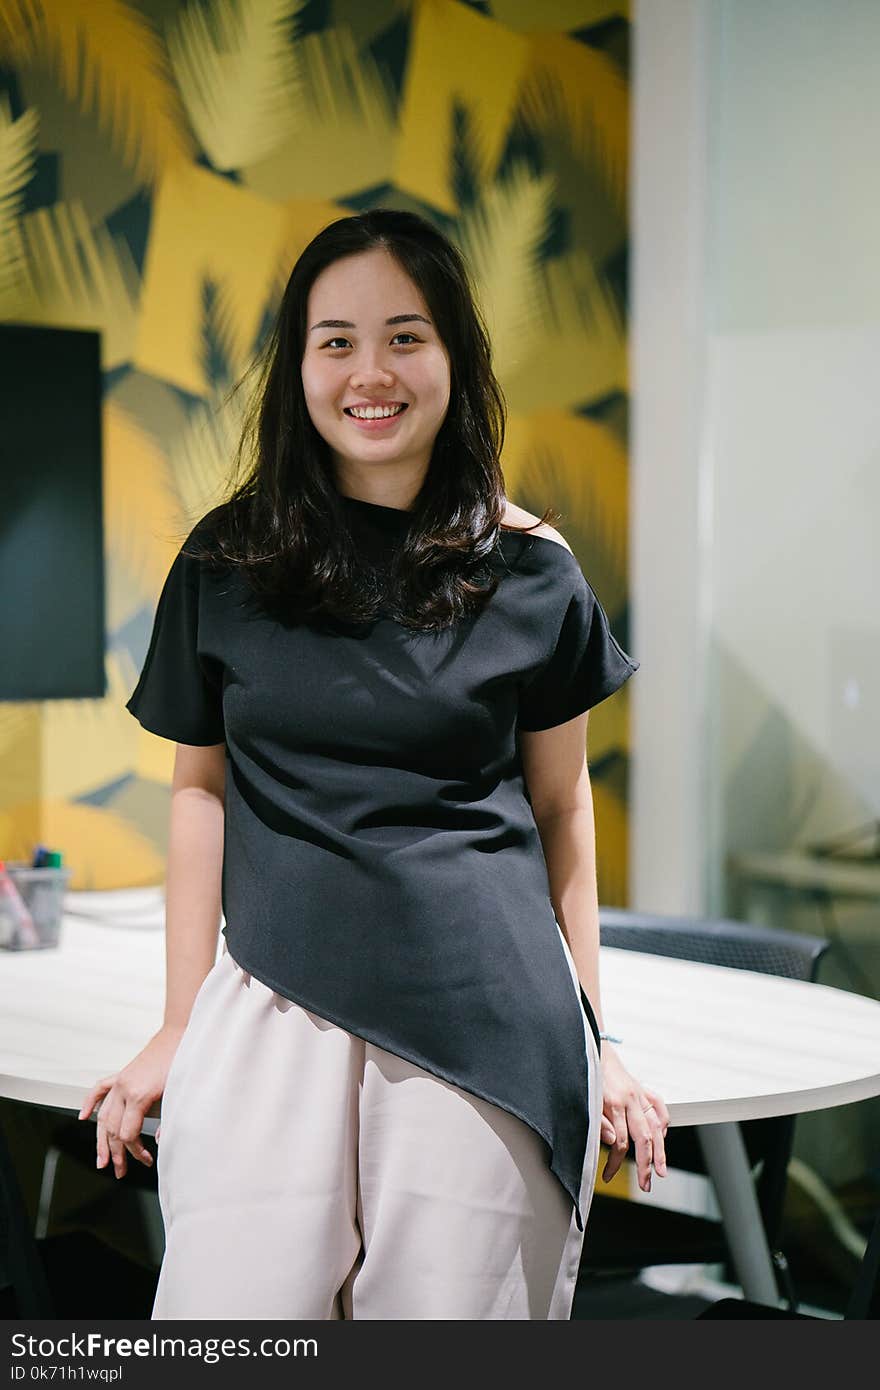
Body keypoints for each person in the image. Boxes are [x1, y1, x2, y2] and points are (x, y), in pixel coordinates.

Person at [78, 208, 668, 1321]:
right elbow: (199, 789)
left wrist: (603, 1039)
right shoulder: (227, 557)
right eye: (335, 340)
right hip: (267, 1005)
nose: (371, 371)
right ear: (298, 366)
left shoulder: (534, 571)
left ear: (454, 357)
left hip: (487, 1026)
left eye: (406, 335)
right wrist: (176, 1021)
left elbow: (560, 809)